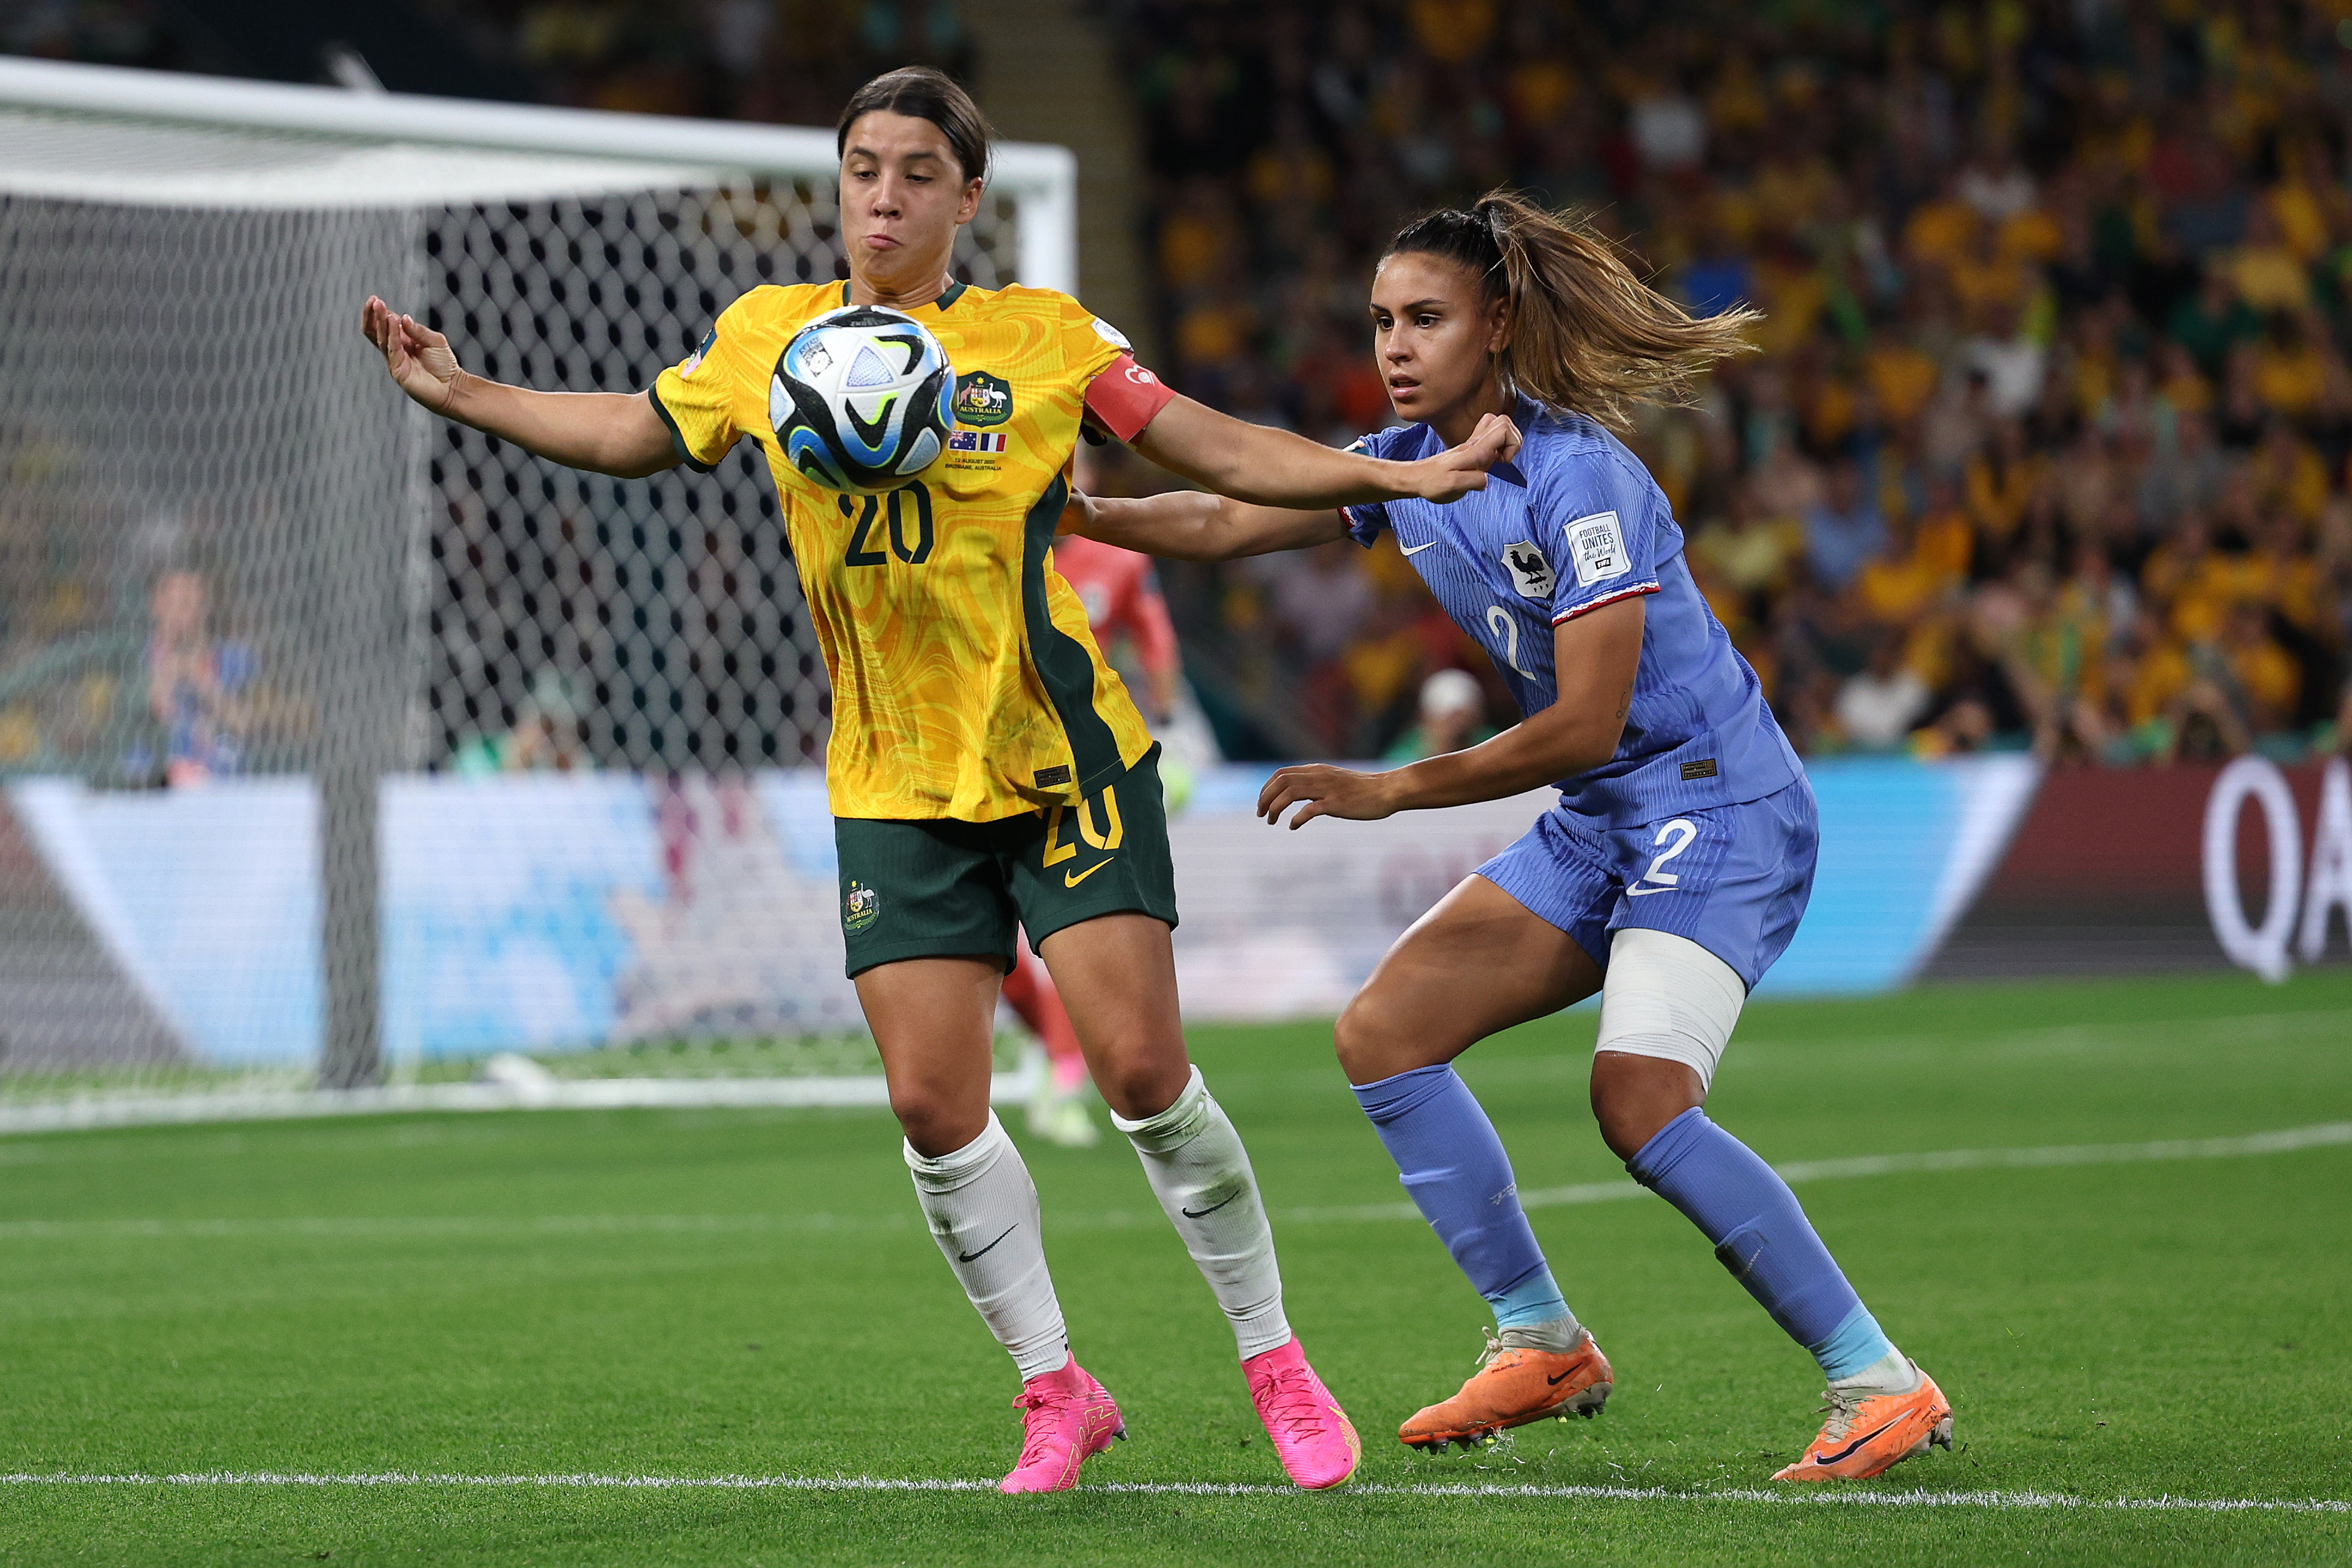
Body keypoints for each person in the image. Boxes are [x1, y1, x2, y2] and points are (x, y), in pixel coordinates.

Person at [361, 67, 1514, 1494]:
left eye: (916, 172)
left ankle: (1273, 1356)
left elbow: (1206, 446)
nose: (884, 196)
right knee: (928, 1105)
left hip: (1060, 759)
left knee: (1145, 1078)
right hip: (890, 779)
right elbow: (631, 433)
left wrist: (1388, 482)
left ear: (969, 200)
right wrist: (456, 388)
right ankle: (1055, 1390)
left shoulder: (1042, 340)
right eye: (862, 169)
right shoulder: (765, 337)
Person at [1071, 192, 1954, 1483]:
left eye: (1423, 318)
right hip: (1607, 821)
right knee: (1383, 1035)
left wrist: (1389, 789)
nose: (1394, 344)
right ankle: (1538, 1338)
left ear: (1494, 326)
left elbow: (1587, 721)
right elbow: (1217, 523)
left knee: (1637, 1099)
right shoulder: (1401, 467)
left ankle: (1878, 1382)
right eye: (1379, 321)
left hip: (1716, 804)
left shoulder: (1578, 474)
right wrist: (1079, 522)